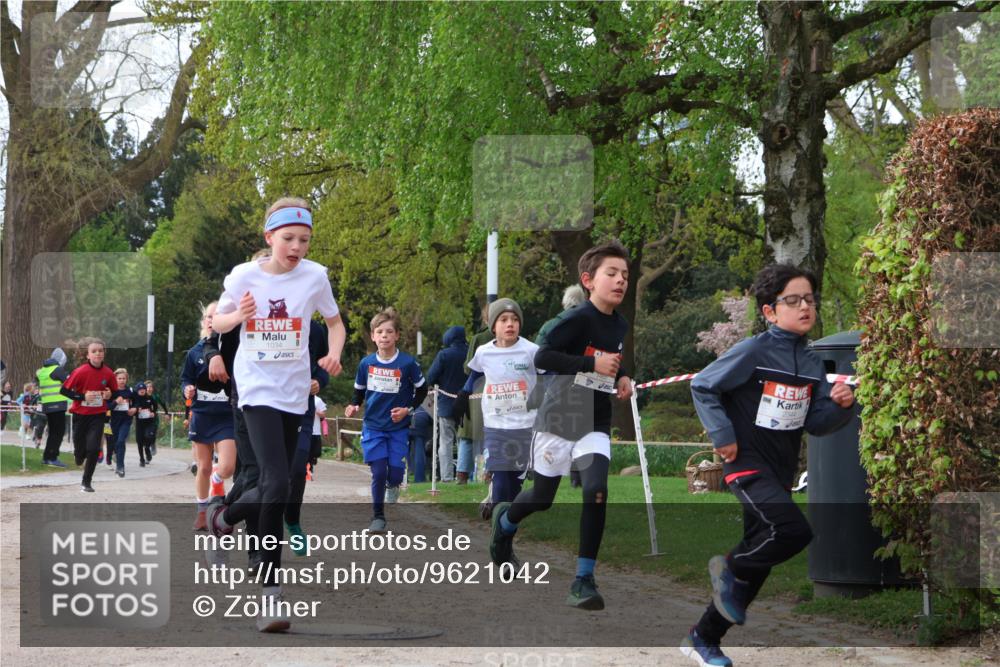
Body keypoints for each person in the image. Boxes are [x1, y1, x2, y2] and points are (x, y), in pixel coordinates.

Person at [678, 264, 856, 667]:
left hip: (780, 470)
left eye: (809, 299)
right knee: (792, 531)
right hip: (745, 463)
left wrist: (842, 406)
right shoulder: (754, 351)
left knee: (757, 562)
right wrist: (722, 435)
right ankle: (727, 567)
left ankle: (703, 637)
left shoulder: (813, 363)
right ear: (770, 312)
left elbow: (815, 423)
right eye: (792, 300)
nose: (804, 306)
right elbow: (702, 385)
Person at [207, 196, 346, 633]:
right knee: (275, 481)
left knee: (283, 485)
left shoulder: (315, 276)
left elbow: (336, 323)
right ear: (269, 238)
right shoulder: (244, 275)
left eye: (304, 239)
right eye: (288, 238)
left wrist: (335, 354)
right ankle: (271, 596)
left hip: (295, 392)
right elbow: (218, 323)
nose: (297, 247)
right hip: (256, 388)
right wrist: (239, 316)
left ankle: (224, 517)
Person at [489, 241, 634, 612]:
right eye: (612, 274)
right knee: (542, 498)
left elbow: (615, 361)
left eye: (625, 275)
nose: (620, 281)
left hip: (594, 422)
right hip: (558, 420)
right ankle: (505, 522)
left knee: (597, 489)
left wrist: (624, 377)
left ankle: (583, 580)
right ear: (588, 281)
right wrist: (590, 367)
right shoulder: (576, 320)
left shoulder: (620, 322)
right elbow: (543, 356)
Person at [345, 308, 427, 533]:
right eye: (379, 332)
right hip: (373, 427)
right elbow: (358, 392)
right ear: (373, 336)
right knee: (379, 471)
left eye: (389, 332)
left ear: (397, 336)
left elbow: (422, 391)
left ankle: (394, 484)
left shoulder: (408, 364)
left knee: (396, 472)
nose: (384, 336)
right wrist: (354, 405)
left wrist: (407, 410)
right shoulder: (366, 363)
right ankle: (378, 517)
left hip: (398, 428)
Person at [456, 298, 542, 508]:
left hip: (525, 426)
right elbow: (475, 374)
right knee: (502, 478)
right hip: (495, 425)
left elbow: (547, 378)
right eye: (503, 320)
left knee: (514, 485)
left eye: (514, 319)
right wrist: (463, 395)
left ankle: (505, 522)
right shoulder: (484, 352)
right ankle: (499, 526)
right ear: (493, 326)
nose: (510, 324)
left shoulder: (531, 351)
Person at [182, 301, 237, 531]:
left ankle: (217, 485)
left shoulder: (232, 349)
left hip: (225, 415)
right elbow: (185, 379)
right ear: (204, 322)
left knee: (226, 468)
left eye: (218, 316)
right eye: (209, 317)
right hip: (202, 414)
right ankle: (202, 513)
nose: (213, 321)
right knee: (203, 467)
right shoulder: (194, 352)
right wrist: (187, 389)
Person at [283, 320, 330, 554]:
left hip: (302, 411)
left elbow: (323, 365)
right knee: (265, 474)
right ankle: (257, 538)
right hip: (267, 408)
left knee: (298, 470)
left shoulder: (316, 329)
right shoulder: (267, 319)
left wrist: (319, 380)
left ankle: (292, 520)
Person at [537, 284, 588, 489]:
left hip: (554, 384)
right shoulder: (588, 325)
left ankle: (544, 471)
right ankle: (576, 474)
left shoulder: (551, 325)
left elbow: (539, 357)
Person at [60, 339, 116, 492]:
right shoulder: (80, 371)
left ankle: (86, 482)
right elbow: (64, 391)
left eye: (101, 350)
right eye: (94, 351)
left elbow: (115, 393)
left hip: (98, 415)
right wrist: (82, 397)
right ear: (88, 355)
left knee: (93, 449)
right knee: (80, 451)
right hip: (80, 415)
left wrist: (109, 394)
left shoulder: (109, 373)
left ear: (104, 353)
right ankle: (78, 456)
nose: (98, 353)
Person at [424, 325, 467, 482]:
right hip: (467, 404)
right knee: (465, 440)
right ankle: (465, 474)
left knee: (446, 441)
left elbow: (431, 377)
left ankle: (447, 476)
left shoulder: (444, 355)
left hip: (446, 404)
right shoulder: (470, 353)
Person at [107, 369, 136, 477]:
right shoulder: (112, 392)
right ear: (115, 379)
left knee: (120, 441)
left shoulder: (130, 391)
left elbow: (136, 402)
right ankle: (116, 459)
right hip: (114, 421)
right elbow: (107, 407)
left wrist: (134, 409)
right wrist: (115, 402)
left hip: (126, 420)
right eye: (119, 378)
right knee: (116, 443)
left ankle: (120, 467)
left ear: (126, 379)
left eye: (124, 378)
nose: (122, 381)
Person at [133, 382, 158, 466]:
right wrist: (136, 411)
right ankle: (142, 459)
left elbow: (155, 406)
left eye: (143, 389)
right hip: (140, 423)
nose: (142, 391)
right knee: (139, 442)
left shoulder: (149, 398)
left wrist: (153, 413)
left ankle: (147, 449)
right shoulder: (135, 399)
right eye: (140, 390)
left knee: (149, 436)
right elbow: (131, 409)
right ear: (137, 391)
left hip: (149, 422)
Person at [144, 379, 168, 458]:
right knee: (145, 437)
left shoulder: (155, 396)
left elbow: (163, 404)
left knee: (152, 435)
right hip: (144, 419)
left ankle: (153, 445)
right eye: (147, 387)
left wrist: (166, 413)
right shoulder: (142, 396)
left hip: (154, 419)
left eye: (151, 387)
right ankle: (147, 454)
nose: (149, 388)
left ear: (153, 389)